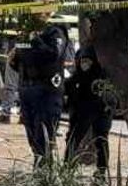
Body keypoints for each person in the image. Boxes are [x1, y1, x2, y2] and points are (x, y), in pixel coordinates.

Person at [9, 10, 67, 164]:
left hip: (47, 91)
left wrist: (36, 39)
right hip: (27, 90)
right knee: (33, 137)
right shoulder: (26, 33)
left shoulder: (56, 31)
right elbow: (20, 58)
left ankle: (44, 176)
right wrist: (14, 60)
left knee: (44, 137)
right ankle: (40, 171)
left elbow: (53, 54)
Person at [64, 46, 112, 175]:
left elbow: (79, 77)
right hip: (92, 109)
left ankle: (100, 170)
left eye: (87, 61)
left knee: (96, 139)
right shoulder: (79, 75)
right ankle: (68, 168)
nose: (85, 64)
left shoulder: (101, 72)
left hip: (93, 108)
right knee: (80, 138)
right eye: (83, 61)